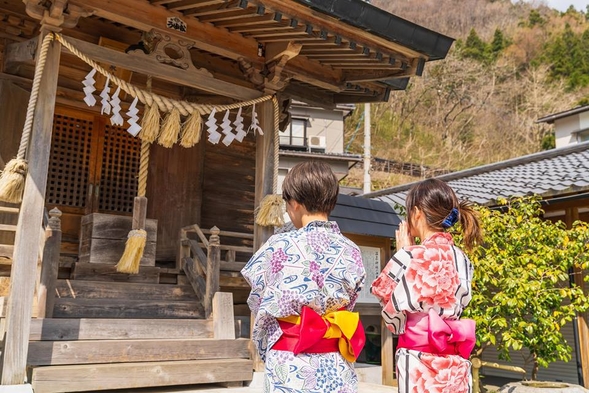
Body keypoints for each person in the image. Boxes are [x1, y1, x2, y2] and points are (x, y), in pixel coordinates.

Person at [241, 161, 366, 393]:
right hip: (336, 362)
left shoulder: (278, 246)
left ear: (295, 204)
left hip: (291, 362)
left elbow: (258, 301)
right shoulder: (351, 250)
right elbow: (350, 303)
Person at [371, 178, 482, 393]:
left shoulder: (410, 255)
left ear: (417, 213)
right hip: (454, 363)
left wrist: (403, 253)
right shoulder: (463, 260)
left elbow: (385, 300)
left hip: (418, 360)